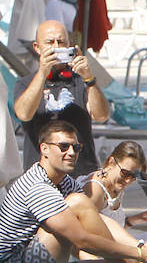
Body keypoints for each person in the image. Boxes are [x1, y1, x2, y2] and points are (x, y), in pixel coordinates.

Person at [0, 120, 147, 263]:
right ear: (44, 149)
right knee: (77, 203)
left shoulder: (64, 181)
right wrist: (139, 254)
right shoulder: (37, 186)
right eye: (63, 146)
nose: (71, 152)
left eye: (76, 147)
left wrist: (138, 247)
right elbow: (81, 240)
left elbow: (98, 219)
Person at [12, 19, 109, 177]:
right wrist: (43, 73)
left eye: (61, 42)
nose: (56, 47)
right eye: (50, 42)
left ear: (69, 45)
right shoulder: (26, 84)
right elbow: (23, 114)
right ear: (37, 47)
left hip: (81, 174)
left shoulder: (81, 82)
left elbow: (101, 115)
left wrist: (89, 78)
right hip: (40, 177)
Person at [76, 140, 147, 252]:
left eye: (134, 176)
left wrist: (137, 219)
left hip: (111, 251)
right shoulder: (95, 190)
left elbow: (110, 229)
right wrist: (136, 251)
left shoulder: (115, 186)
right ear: (111, 162)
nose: (128, 180)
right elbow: (89, 241)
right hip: (98, 255)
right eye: (125, 173)